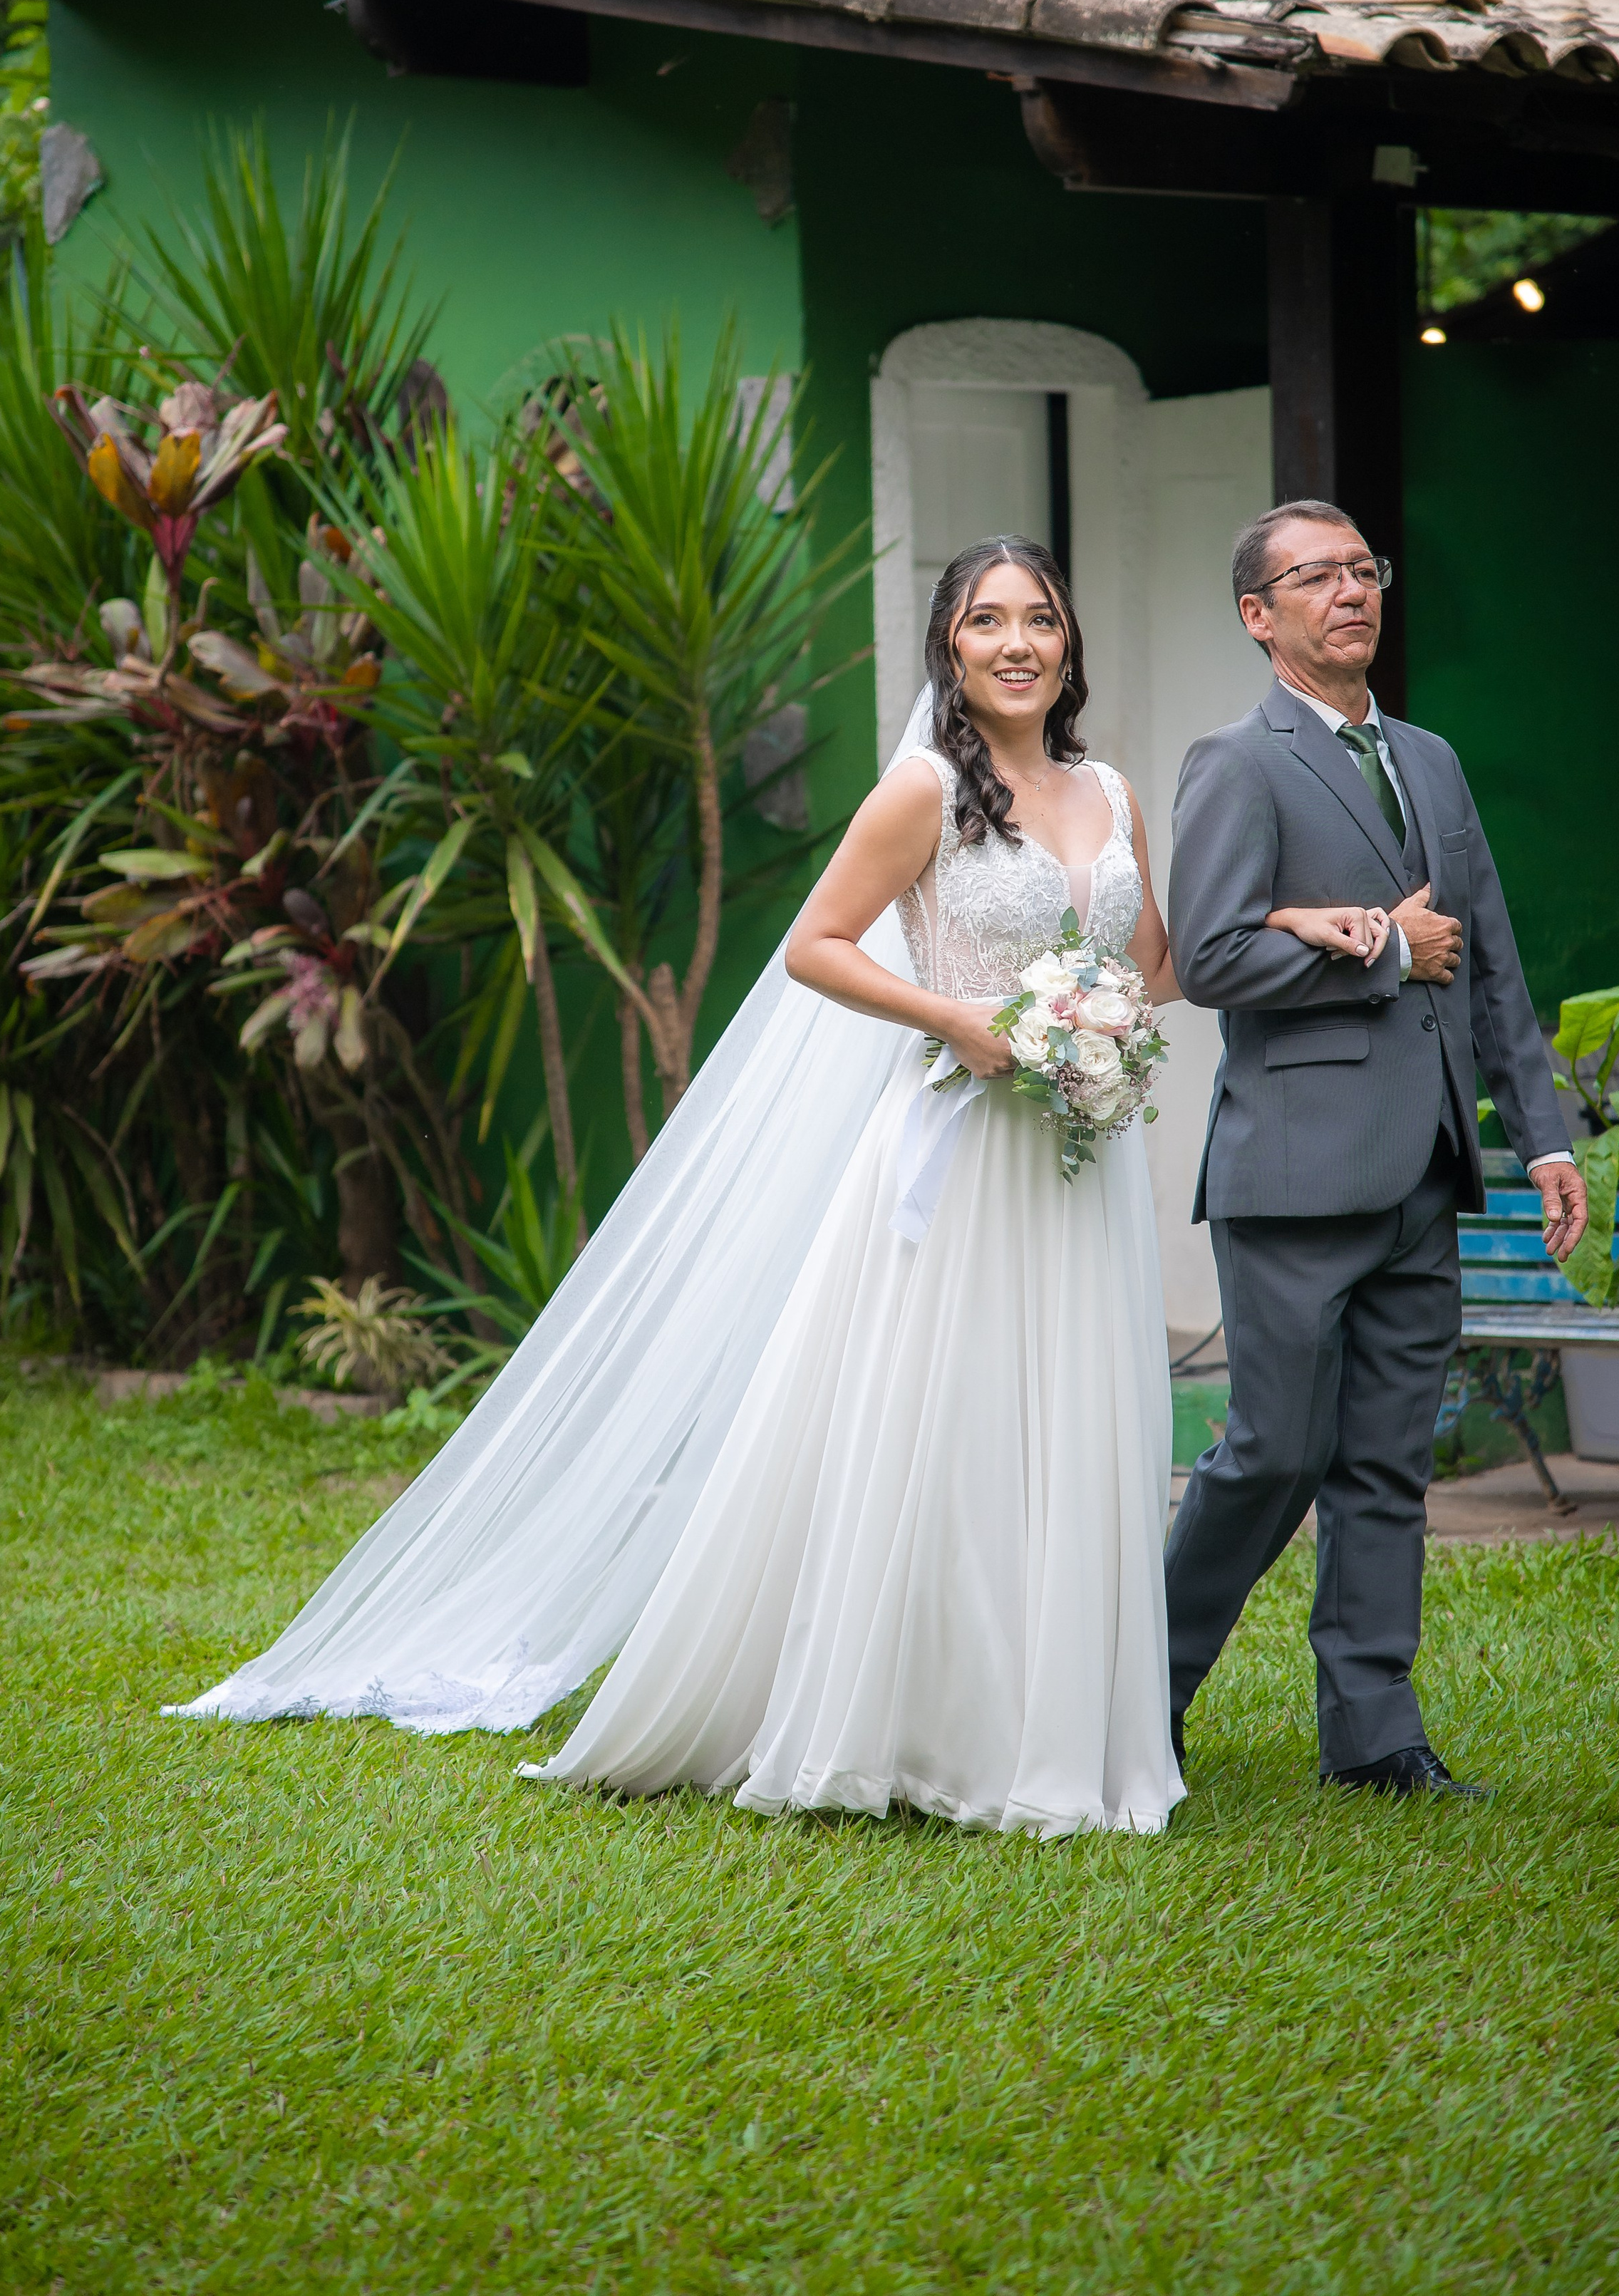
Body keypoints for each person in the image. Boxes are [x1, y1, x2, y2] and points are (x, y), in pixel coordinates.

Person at [172, 534, 1380, 1840]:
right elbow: (816, 947)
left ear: (1069, 645)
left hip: (1073, 1164)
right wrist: (966, 1022)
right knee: (942, 1429)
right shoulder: (925, 790)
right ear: (951, 649)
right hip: (958, 1151)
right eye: (988, 623)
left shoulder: (1114, 793)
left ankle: (1052, 1725)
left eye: (1041, 619)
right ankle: (906, 1720)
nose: (1019, 643)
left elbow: (1157, 963)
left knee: (1065, 1429)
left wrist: (1213, 966)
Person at [1164, 500, 1588, 1801]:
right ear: (1260, 616)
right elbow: (1210, 955)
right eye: (1315, 577)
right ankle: (1135, 1694)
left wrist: (1548, 1138)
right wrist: (1382, 941)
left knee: (1388, 1465)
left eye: (1364, 570)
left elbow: (1496, 961)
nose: (1350, 592)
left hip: (1427, 1175)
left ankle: (1375, 1737)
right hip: (1294, 1172)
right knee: (1275, 1453)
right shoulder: (1233, 762)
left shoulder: (1438, 761)